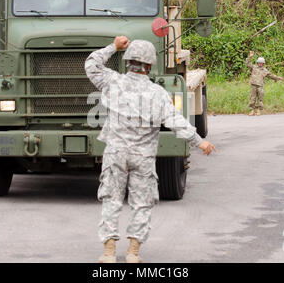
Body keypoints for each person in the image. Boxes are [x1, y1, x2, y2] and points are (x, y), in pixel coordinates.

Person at [85, 36, 216, 263]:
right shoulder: (158, 94)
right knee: (142, 202)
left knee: (111, 199)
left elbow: (91, 65)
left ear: (127, 62)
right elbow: (176, 121)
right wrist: (199, 141)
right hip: (143, 156)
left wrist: (113, 47)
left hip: (115, 153)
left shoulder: (112, 82)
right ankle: (133, 253)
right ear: (149, 65)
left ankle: (108, 253)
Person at [246, 51, 284, 116]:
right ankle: (252, 110)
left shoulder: (265, 70)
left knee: (260, 98)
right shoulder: (254, 67)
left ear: (263, 64)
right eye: (259, 63)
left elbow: (271, 75)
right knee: (252, 98)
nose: (260, 64)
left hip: (260, 86)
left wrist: (279, 78)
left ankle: (258, 110)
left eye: (261, 63)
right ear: (257, 63)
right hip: (253, 85)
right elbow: (247, 63)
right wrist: (250, 56)